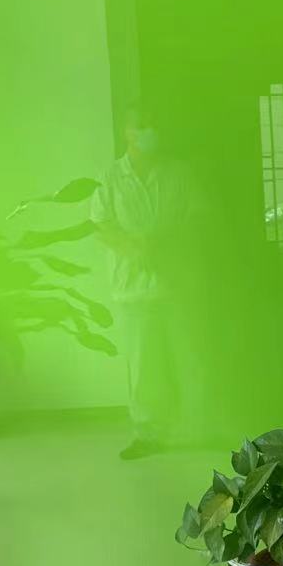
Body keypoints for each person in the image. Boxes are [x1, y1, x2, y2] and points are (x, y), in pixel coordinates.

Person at [90, 107, 203, 459]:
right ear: (127, 131)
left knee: (188, 356)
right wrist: (134, 249)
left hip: (177, 281)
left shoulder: (178, 173)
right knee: (142, 364)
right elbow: (100, 225)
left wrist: (166, 245)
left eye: (153, 125)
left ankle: (196, 427)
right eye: (141, 125)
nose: (148, 131)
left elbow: (196, 218)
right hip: (133, 286)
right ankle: (147, 431)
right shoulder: (110, 177)